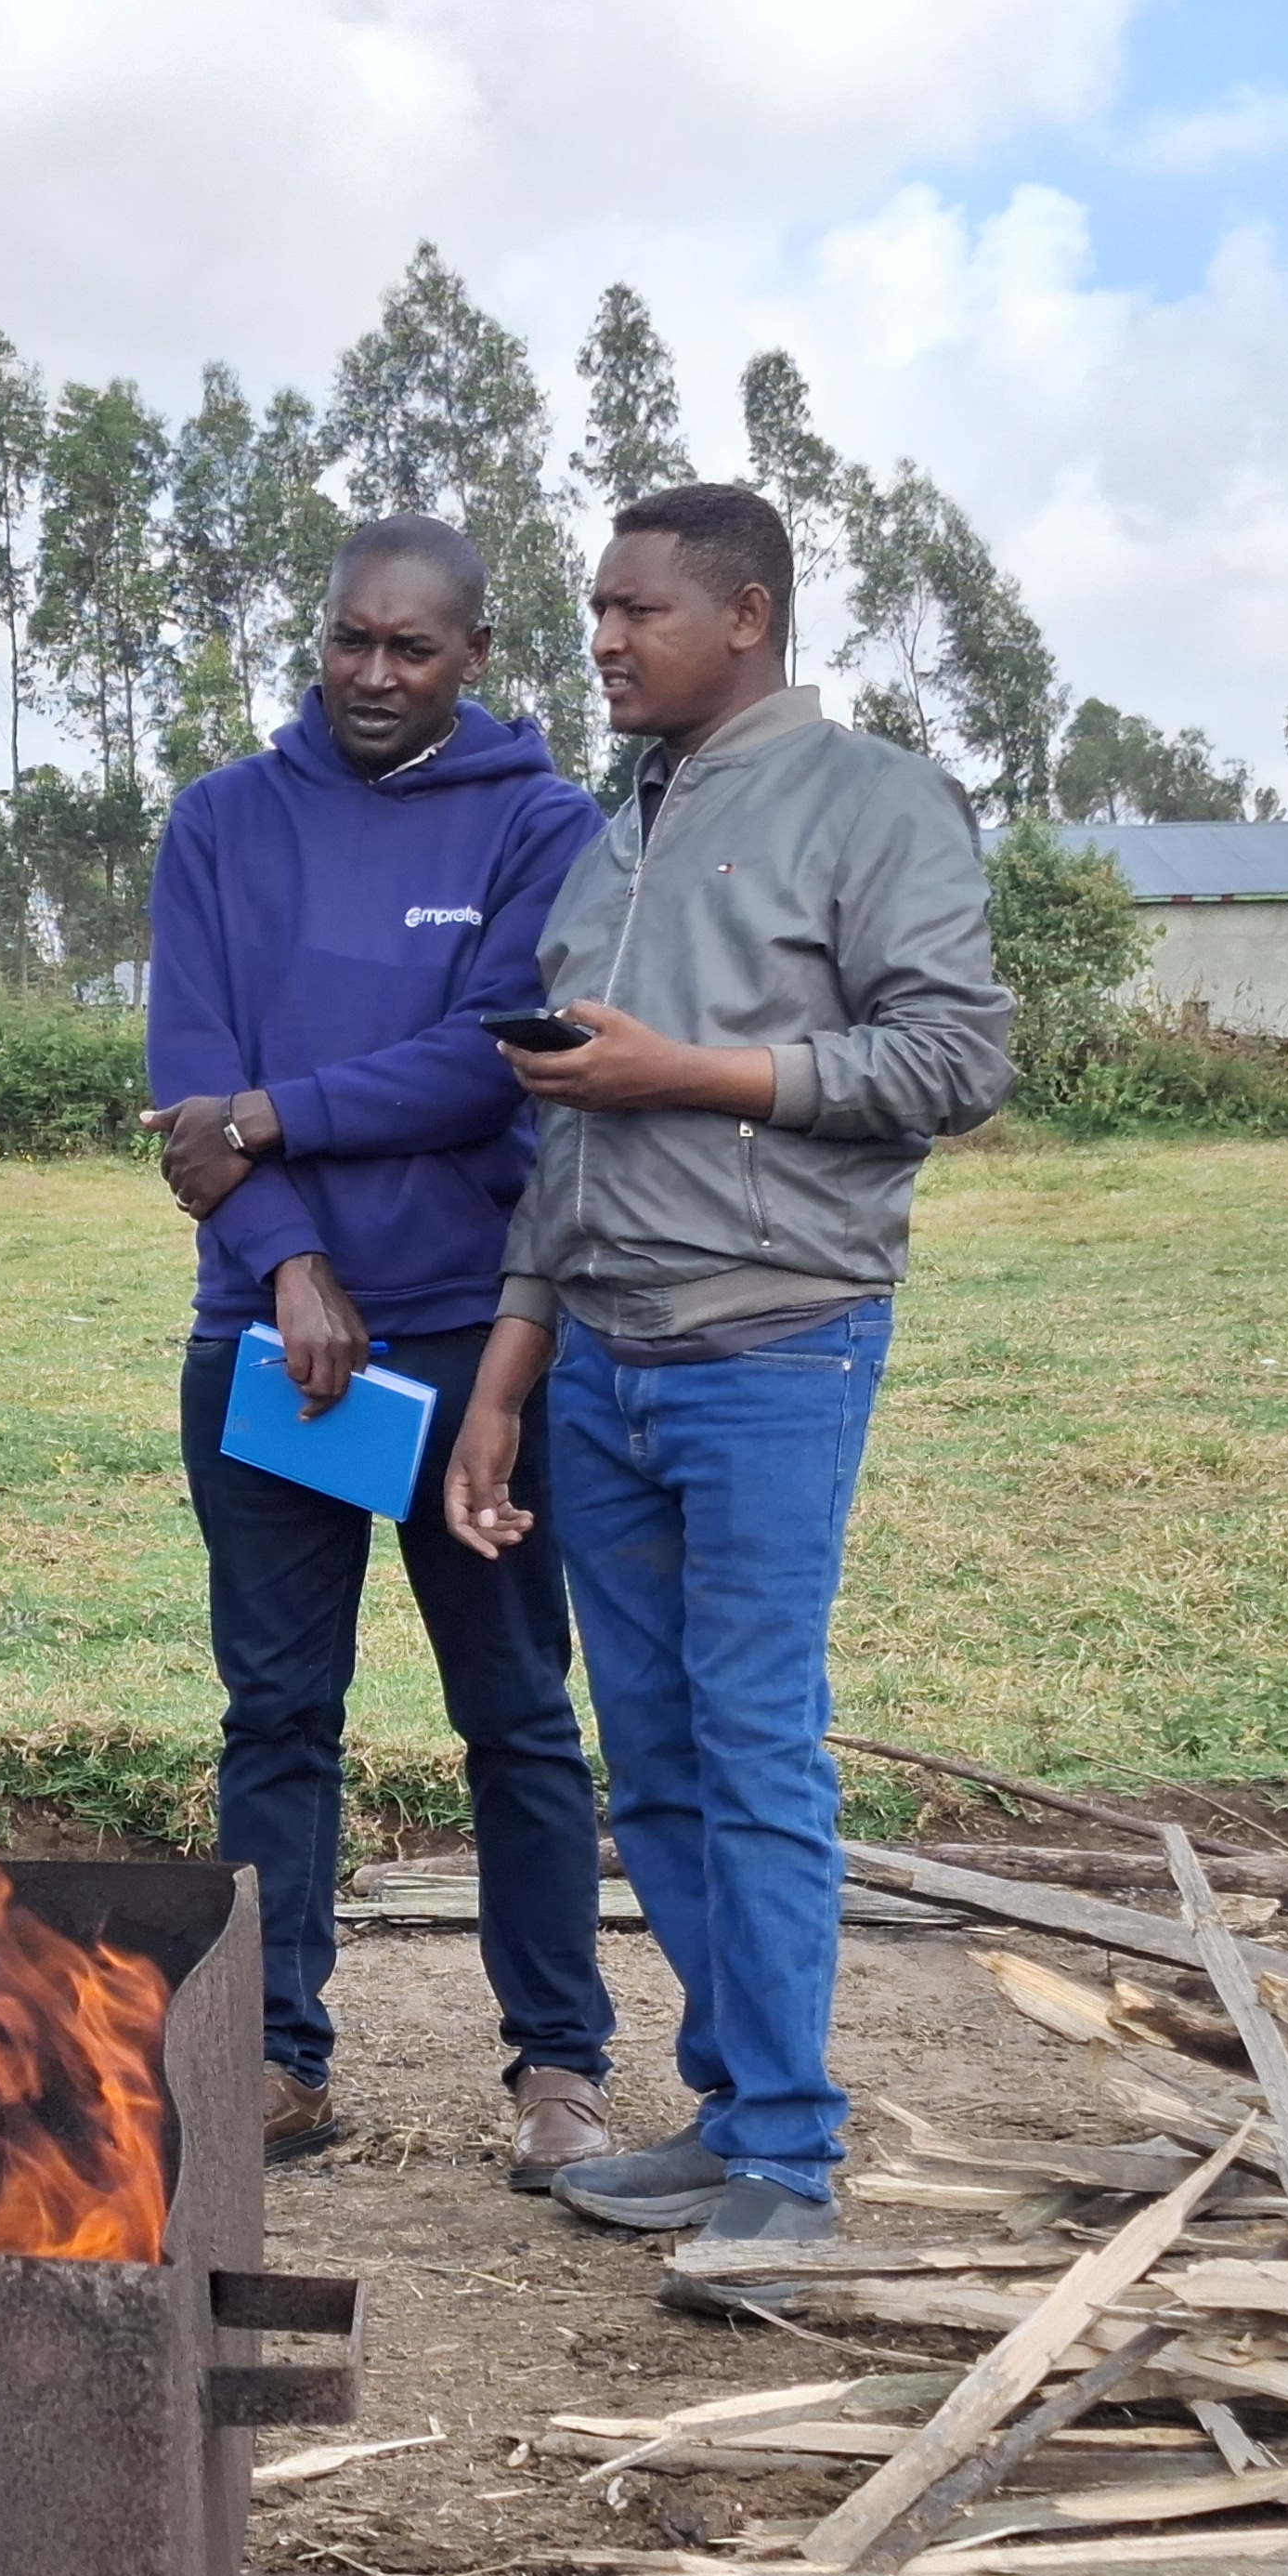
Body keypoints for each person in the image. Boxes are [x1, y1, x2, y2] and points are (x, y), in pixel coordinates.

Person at [438, 482, 1012, 2305]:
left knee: (754, 1742)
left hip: (774, 1344)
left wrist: (687, 1072)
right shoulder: (615, 836)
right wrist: (508, 1373)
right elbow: (568, 1135)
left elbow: (957, 1058)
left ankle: (790, 2158)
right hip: (599, 1361)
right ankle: (730, 2104)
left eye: (639, 612)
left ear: (746, 616)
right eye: (599, 610)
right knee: (661, 1761)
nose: (604, 640)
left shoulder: (873, 803)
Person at [143, 512, 618, 2183]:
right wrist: (286, 1262)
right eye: (352, 638)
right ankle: (276, 2058)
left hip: (477, 1346)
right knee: (277, 1712)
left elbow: (493, 1060)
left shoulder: (543, 824)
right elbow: (187, 1090)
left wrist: (273, 1117)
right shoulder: (222, 820)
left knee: (518, 1711)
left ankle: (558, 2063)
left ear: (475, 655)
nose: (374, 673)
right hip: (271, 1344)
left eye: (414, 648)